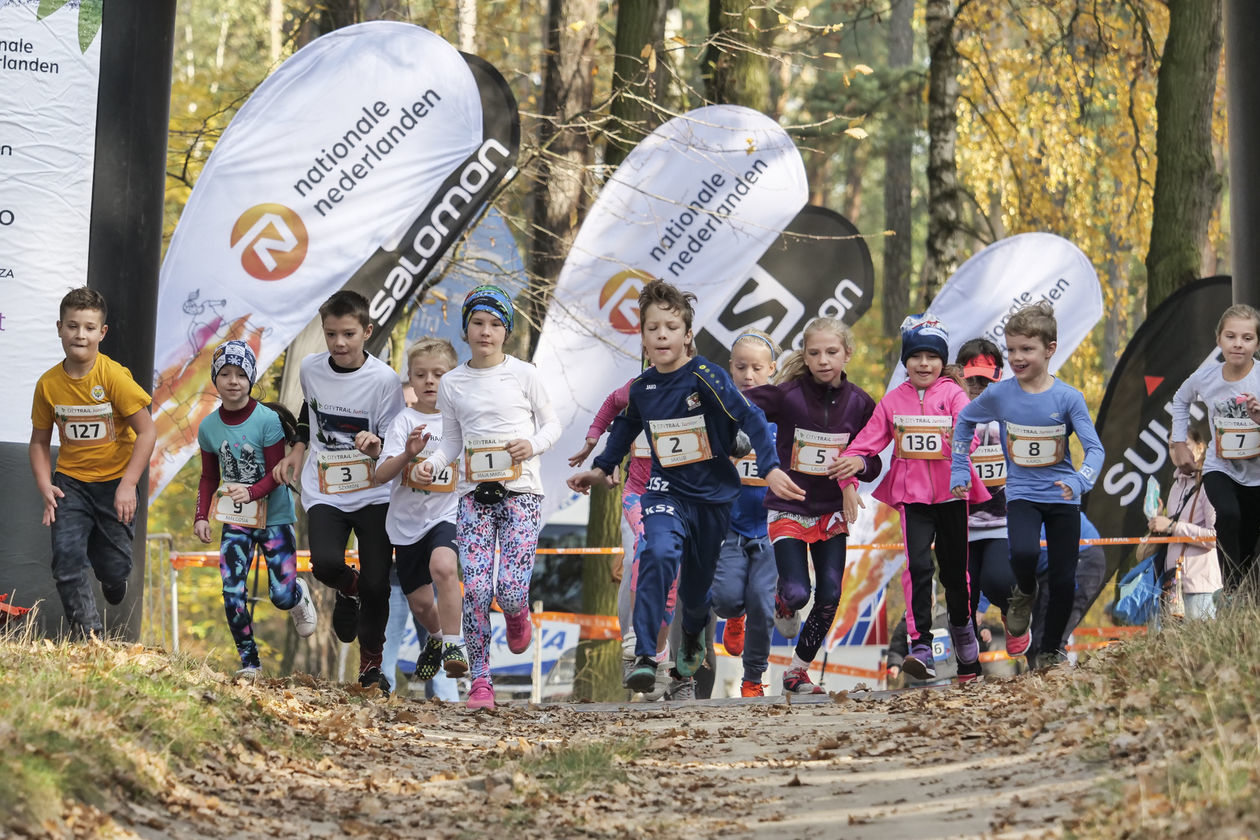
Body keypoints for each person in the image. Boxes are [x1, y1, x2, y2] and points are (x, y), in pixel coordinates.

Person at [568, 279, 805, 694]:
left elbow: (750, 418)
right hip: (664, 492)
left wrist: (769, 468)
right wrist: (600, 467)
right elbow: (624, 427)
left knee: (696, 592)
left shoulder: (706, 377)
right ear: (643, 339)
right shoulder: (642, 389)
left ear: (687, 335)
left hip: (712, 500)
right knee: (656, 552)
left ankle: (693, 633)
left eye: (671, 327)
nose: (662, 335)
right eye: (653, 328)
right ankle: (646, 654)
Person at [415, 286, 561, 711]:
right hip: (473, 496)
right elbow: (451, 441)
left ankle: (517, 613)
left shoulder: (525, 375)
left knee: (509, 591)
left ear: (506, 332)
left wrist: (531, 445)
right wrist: (432, 464)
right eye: (478, 323)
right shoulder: (452, 383)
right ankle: (480, 681)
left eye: (496, 324)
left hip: (522, 492)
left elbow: (552, 426)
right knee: (477, 590)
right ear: (465, 329)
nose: (486, 331)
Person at [951, 302, 1105, 670]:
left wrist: (1080, 480)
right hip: (1021, 495)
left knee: (1065, 581)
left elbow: (1095, 449)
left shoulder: (1068, 398)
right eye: (1012, 349)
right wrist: (959, 468)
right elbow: (964, 422)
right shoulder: (1000, 395)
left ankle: (1050, 650)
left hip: (1063, 498)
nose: (1018, 357)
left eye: (1027, 349)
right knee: (1023, 554)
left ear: (1049, 350)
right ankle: (1024, 592)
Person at [837, 314, 988, 682]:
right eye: (916, 356)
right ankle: (920, 645)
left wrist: (956, 442)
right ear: (905, 361)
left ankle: (963, 633)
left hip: (952, 496)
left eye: (932, 357)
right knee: (918, 567)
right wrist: (851, 472)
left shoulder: (953, 394)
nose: (924, 364)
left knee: (954, 574)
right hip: (914, 499)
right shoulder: (893, 401)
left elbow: (972, 436)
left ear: (942, 361)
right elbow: (865, 444)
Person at [272, 290, 405, 694]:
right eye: (331, 334)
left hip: (374, 492)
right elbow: (309, 412)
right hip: (326, 488)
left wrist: (377, 445)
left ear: (367, 331)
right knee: (325, 565)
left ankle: (371, 668)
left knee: (379, 585)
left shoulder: (384, 380)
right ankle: (350, 589)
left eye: (348, 334)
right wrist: (298, 447)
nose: (339, 343)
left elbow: (395, 438)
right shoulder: (311, 369)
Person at [745, 317, 875, 695]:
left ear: (847, 354)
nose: (823, 360)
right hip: (790, 505)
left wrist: (859, 464)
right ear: (804, 356)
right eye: (814, 353)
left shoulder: (860, 403)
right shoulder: (788, 396)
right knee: (799, 592)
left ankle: (797, 671)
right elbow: (739, 405)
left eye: (831, 352)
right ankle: (784, 600)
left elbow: (875, 457)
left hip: (831, 510)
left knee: (830, 595)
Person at [29, 287, 156, 639]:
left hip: (115, 483)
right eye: (72, 326)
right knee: (66, 559)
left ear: (102, 332)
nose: (80, 335)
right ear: (59, 328)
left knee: (113, 567)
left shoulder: (113, 378)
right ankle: (90, 638)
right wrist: (44, 484)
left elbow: (147, 432)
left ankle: (114, 579)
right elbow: (39, 442)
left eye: (88, 327)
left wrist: (128, 484)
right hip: (70, 483)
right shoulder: (48, 385)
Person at [193, 341, 317, 678]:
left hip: (275, 518)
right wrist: (202, 515)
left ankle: (297, 594)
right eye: (225, 374)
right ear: (215, 379)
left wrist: (250, 492)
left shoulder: (267, 420)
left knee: (280, 596)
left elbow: (277, 475)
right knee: (232, 591)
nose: (233, 381)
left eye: (240, 374)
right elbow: (208, 477)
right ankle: (250, 663)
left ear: (251, 379)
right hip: (236, 520)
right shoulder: (208, 427)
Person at [374, 338, 468, 683]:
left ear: (452, 378)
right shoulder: (403, 422)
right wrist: (408, 455)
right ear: (411, 380)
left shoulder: (462, 421)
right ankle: (436, 638)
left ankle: (454, 646)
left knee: (443, 566)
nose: (430, 381)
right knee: (421, 604)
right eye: (421, 374)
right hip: (407, 523)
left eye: (439, 374)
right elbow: (381, 474)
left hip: (447, 514)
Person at [705, 330, 781, 698]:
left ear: (772, 370)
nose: (748, 376)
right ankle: (735, 617)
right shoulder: (719, 411)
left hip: (771, 527)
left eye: (756, 368)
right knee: (725, 599)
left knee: (763, 604)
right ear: (730, 368)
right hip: (729, 527)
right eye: (740, 367)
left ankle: (753, 678)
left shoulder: (783, 415)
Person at [1170, 304, 1260, 591]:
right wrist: (1179, 443)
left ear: (1257, 344)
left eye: (1247, 338)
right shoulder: (1205, 377)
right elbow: (1180, 399)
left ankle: (1241, 592)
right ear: (1218, 339)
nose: (1238, 344)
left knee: (1248, 538)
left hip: (1256, 475)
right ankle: (1230, 589)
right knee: (1228, 515)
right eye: (1231, 336)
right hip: (1220, 467)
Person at [955, 339, 1024, 658]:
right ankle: (967, 667)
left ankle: (1013, 615)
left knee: (998, 581)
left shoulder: (1011, 415)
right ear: (959, 377)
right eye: (972, 381)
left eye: (986, 381)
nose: (978, 388)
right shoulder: (950, 415)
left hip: (1000, 520)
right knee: (962, 597)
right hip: (959, 522)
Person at [1151, 429, 1220, 621]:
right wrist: (1159, 520)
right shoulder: (1176, 486)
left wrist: (1173, 526)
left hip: (1200, 586)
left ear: (1200, 448)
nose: (1177, 451)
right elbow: (1174, 531)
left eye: (1184, 445)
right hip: (1173, 585)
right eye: (1172, 447)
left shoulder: (1210, 483)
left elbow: (1215, 536)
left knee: (1202, 640)